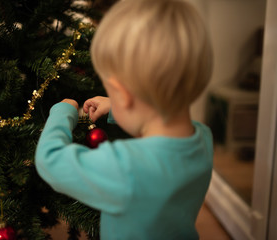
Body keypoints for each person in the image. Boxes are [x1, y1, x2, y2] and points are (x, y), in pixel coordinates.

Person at [35, 0, 213, 239]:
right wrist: (115, 107)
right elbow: (155, 121)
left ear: (124, 95)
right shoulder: (203, 138)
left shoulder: (125, 167)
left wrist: (62, 112)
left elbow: (50, 161)